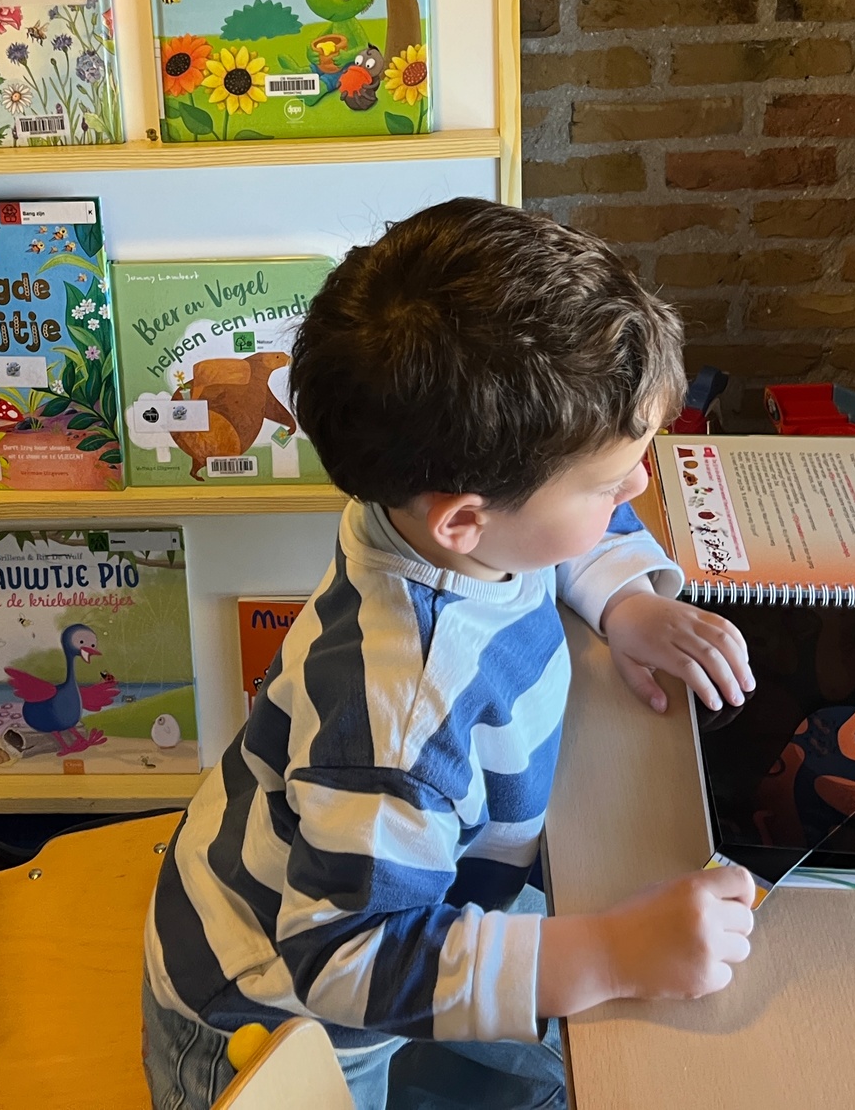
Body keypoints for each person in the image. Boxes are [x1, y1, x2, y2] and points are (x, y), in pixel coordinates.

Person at [142, 197, 759, 1108]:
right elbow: (343, 959)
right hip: (274, 1022)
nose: (636, 485)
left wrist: (624, 599)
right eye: (608, 483)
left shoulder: (432, 505)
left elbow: (548, 518)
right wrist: (610, 953)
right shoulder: (402, 716)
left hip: (396, 888)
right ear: (463, 520)